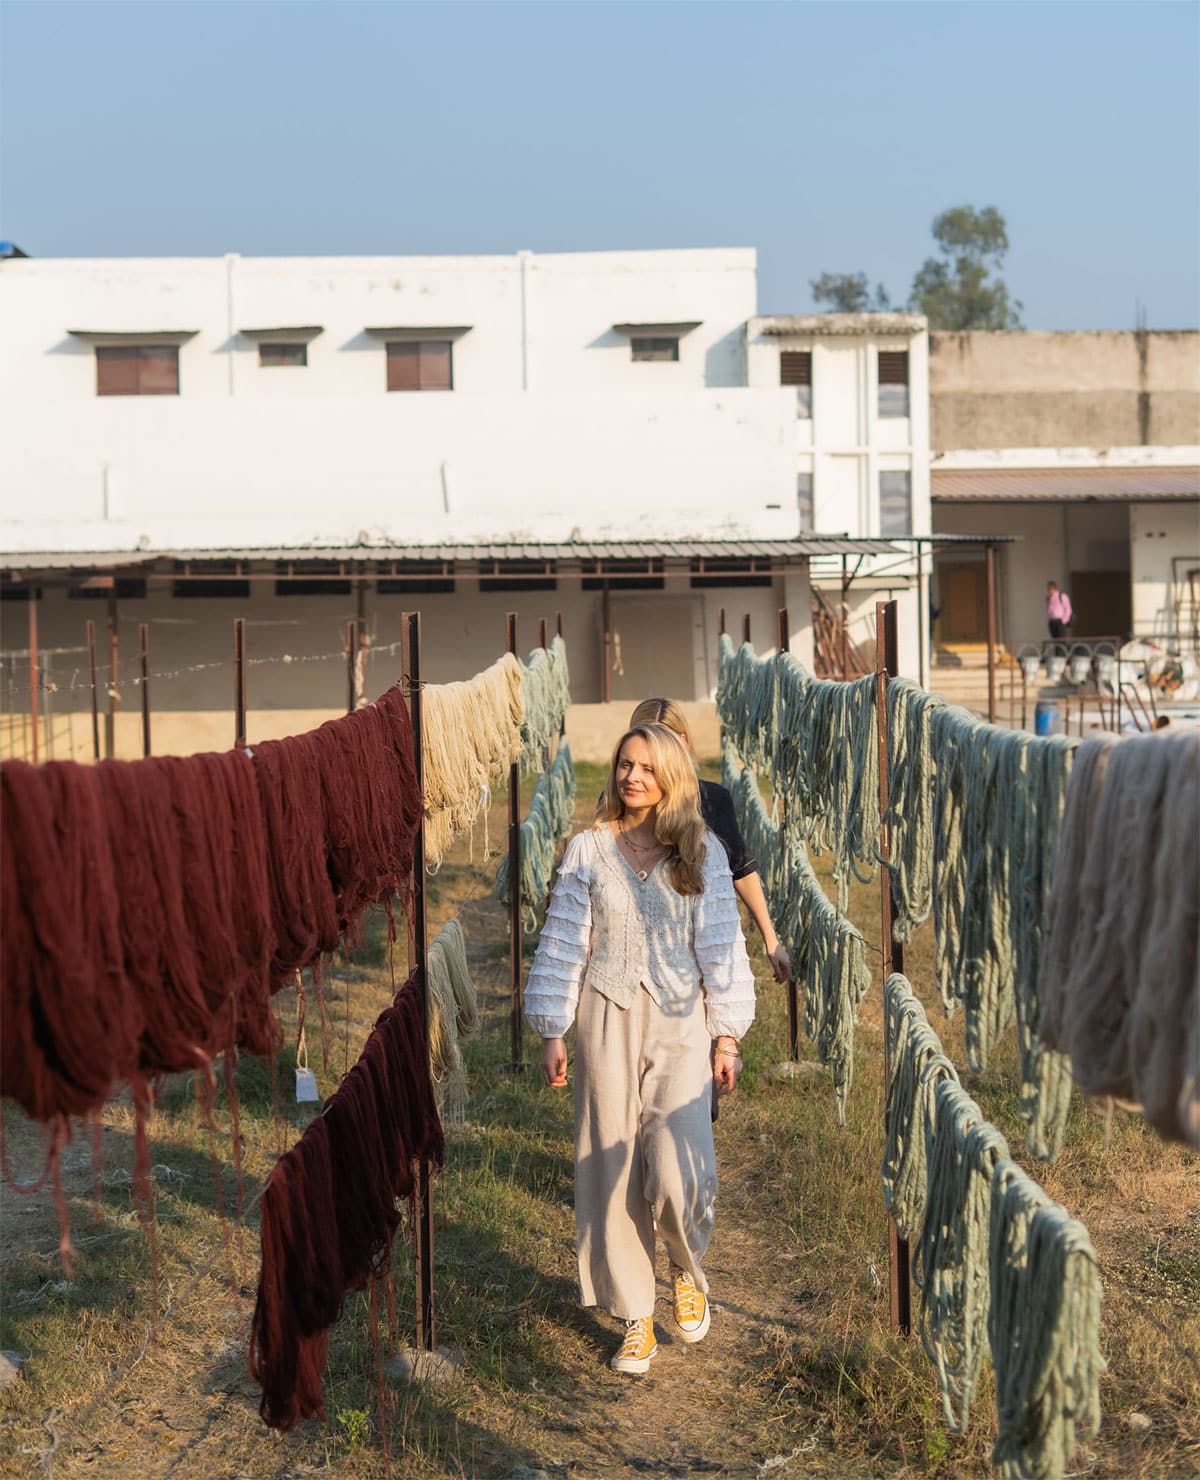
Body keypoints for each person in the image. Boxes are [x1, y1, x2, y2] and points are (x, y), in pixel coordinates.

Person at [525, 722, 756, 1376]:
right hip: (605, 1017)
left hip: (682, 1022)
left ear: (671, 776)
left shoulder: (702, 853)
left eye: (646, 768)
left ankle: (684, 1264)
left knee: (678, 1166)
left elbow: (721, 949)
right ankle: (634, 1317)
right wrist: (551, 1028)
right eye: (625, 765)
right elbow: (565, 941)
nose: (631, 777)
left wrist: (726, 1034)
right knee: (611, 1168)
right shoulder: (587, 851)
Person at [627, 698, 791, 986]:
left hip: (700, 939)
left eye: (662, 737)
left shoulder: (712, 800)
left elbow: (740, 867)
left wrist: (770, 939)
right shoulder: (622, 802)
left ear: (682, 741)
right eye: (645, 738)